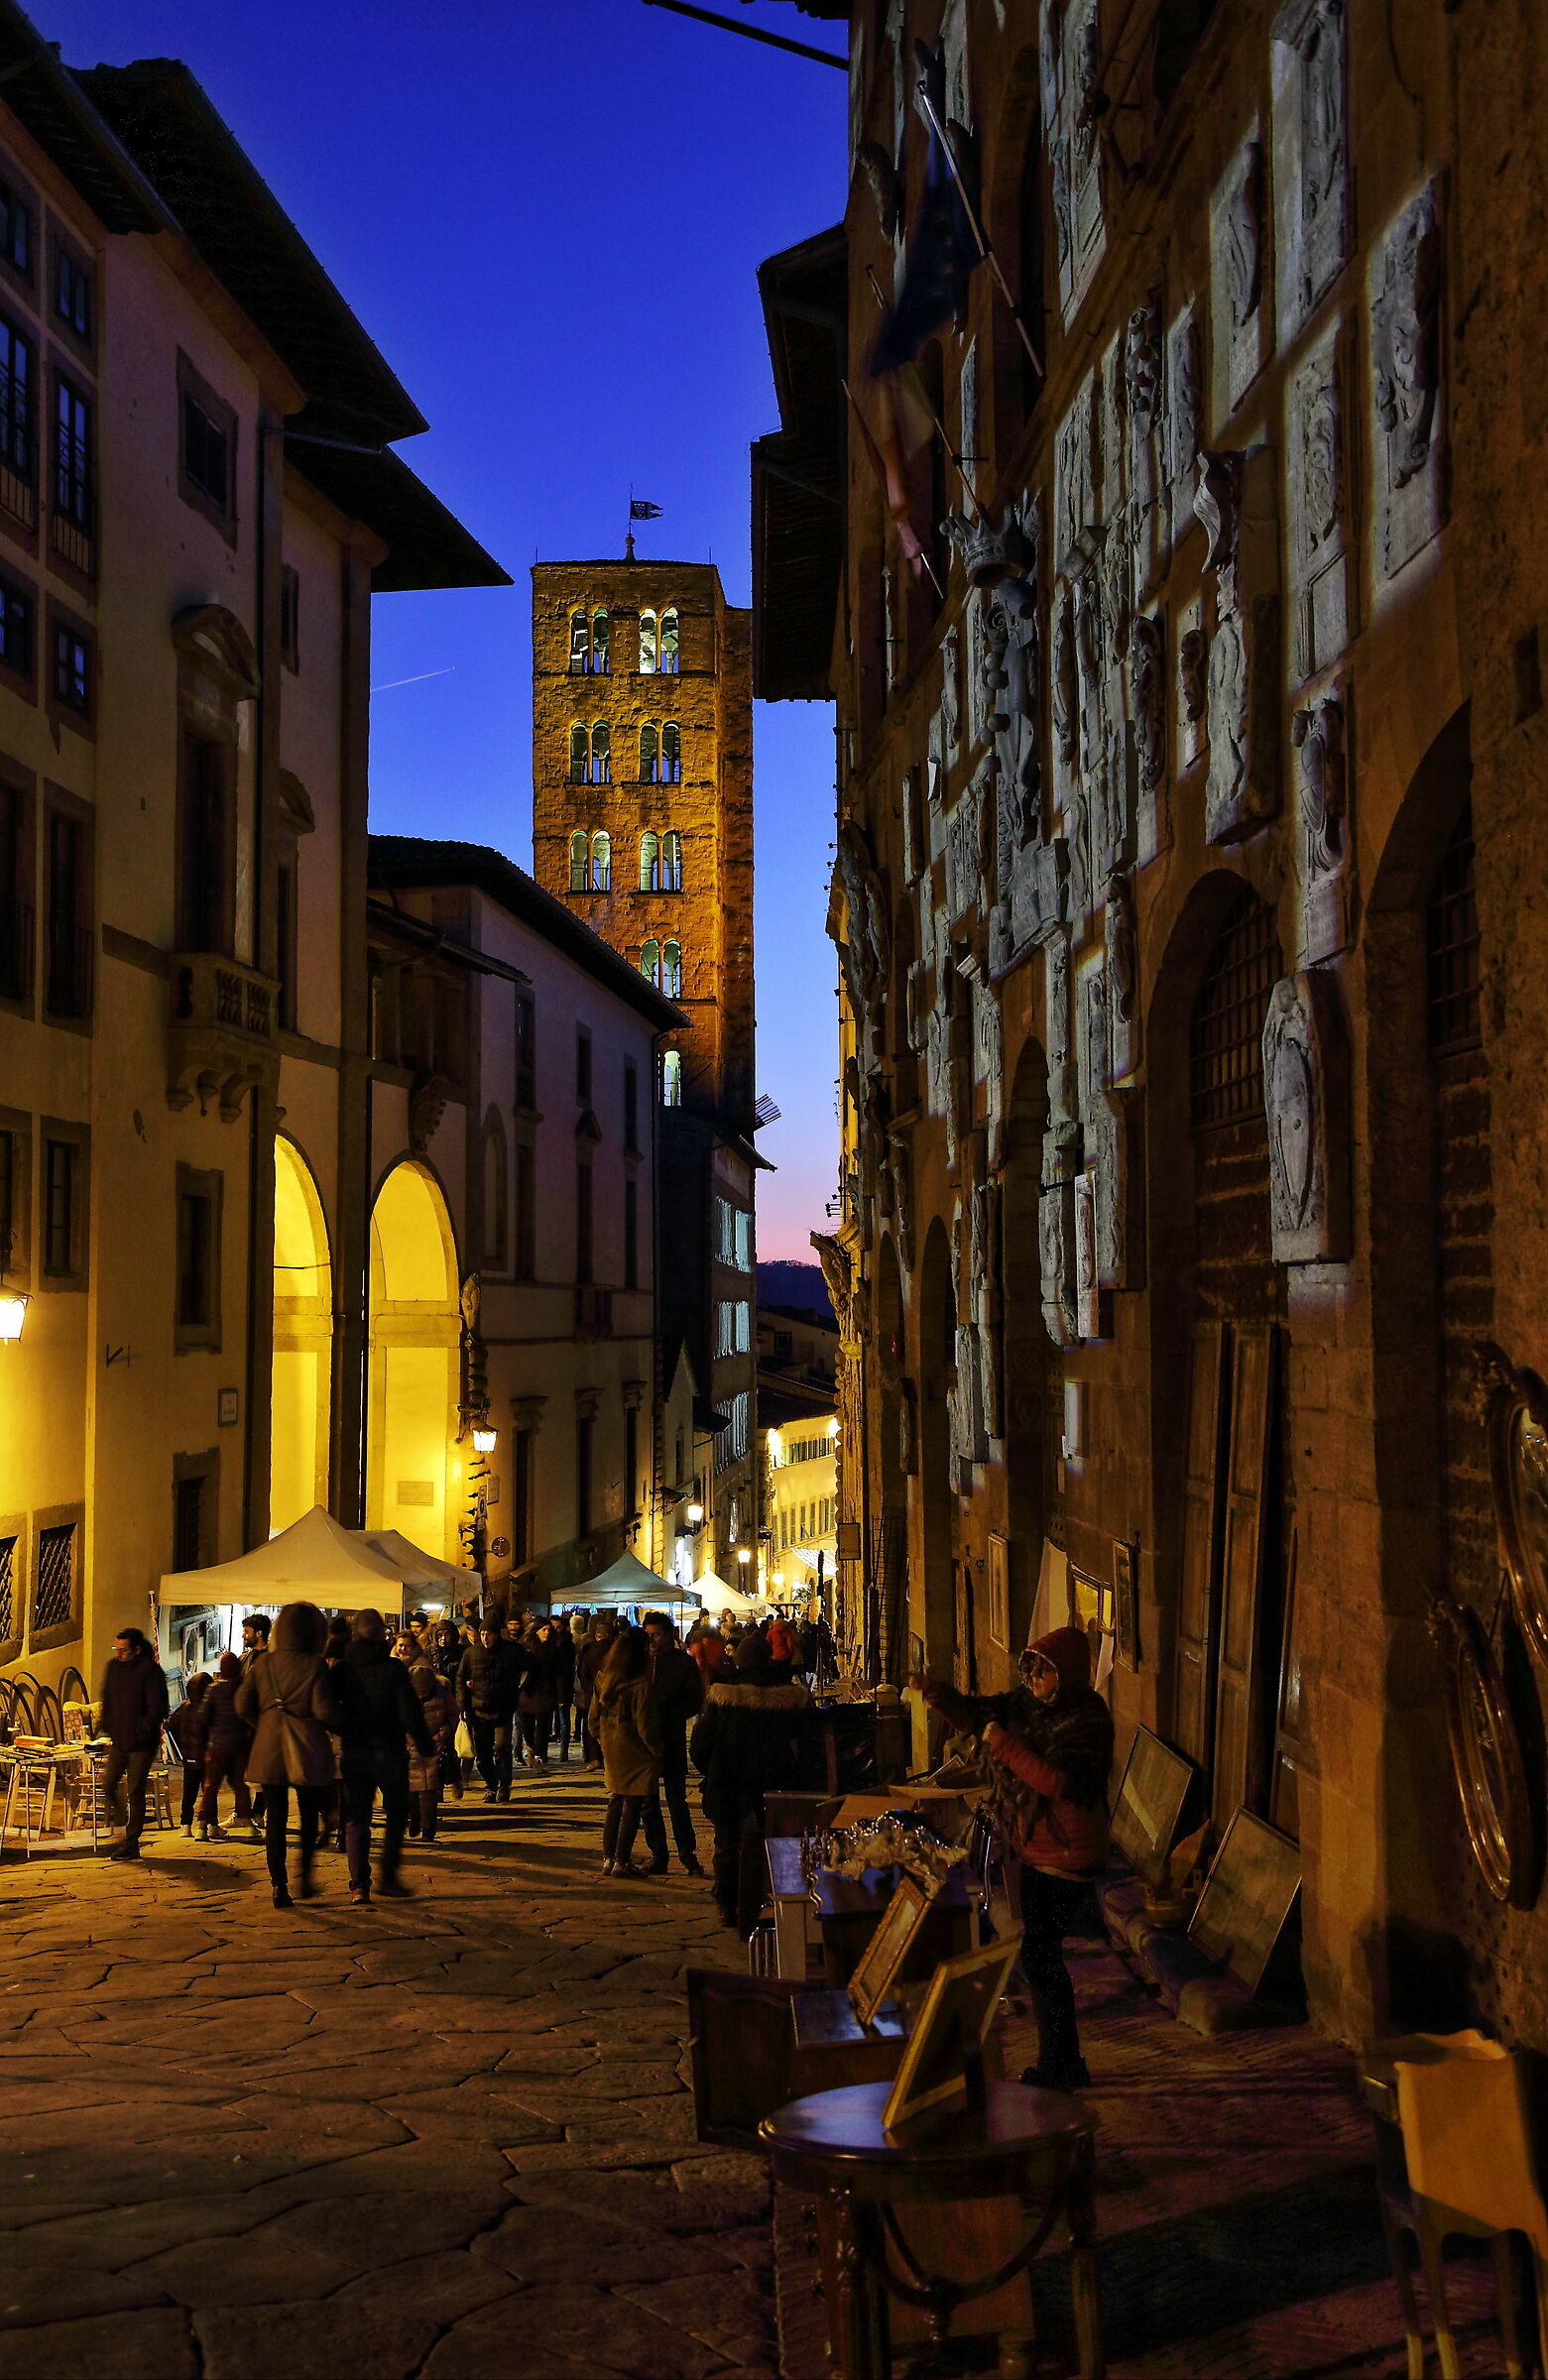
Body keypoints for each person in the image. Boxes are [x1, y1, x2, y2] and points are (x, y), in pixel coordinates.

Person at [923, 1627, 1114, 2091]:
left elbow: (1058, 1783)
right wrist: (941, 1698)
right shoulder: (1031, 1707)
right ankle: (1064, 2062)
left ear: (1064, 1675)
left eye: (1042, 1670)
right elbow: (981, 1713)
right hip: (1037, 1848)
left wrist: (1003, 1746)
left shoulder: (1087, 1718)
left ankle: (1060, 2067)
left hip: (1068, 1854)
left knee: (1042, 1958)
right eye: (1029, 1667)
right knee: (1039, 1955)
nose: (1031, 1677)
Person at [689, 1632, 814, 1929]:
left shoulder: (724, 1695)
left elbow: (701, 1743)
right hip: (775, 1780)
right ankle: (779, 1903)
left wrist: (712, 1769)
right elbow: (806, 1742)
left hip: (729, 1779)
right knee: (777, 1842)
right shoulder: (788, 1695)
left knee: (728, 1844)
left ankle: (727, 1904)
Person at [236, 1600, 339, 1908]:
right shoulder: (314, 1665)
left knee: (276, 1818)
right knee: (308, 1814)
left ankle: (278, 1883)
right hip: (305, 1745)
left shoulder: (264, 1663)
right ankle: (305, 1874)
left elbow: (242, 1704)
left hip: (269, 1745)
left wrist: (265, 1723)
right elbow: (323, 1710)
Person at [335, 1608, 434, 1904]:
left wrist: (345, 1729)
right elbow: (409, 1711)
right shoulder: (392, 1669)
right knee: (395, 1814)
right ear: (382, 1634)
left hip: (355, 1751)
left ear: (355, 1634)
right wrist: (424, 1745)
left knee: (357, 1818)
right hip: (389, 1750)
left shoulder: (343, 1670)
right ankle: (388, 1876)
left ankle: (358, 1884)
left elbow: (330, 1708)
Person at [640, 1611, 705, 1876]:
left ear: (668, 1634)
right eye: (648, 1635)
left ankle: (688, 1854)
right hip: (644, 1743)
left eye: (656, 1634)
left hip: (672, 1740)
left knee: (677, 1801)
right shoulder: (640, 1662)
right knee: (648, 1802)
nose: (652, 1640)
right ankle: (659, 1854)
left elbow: (694, 1699)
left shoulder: (682, 1663)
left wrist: (671, 1714)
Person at [593, 1625, 660, 1877]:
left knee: (616, 1800)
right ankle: (622, 1860)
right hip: (635, 1750)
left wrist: (603, 1739)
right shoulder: (639, 1684)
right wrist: (656, 1750)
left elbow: (592, 1719)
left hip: (612, 1745)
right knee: (632, 1803)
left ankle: (608, 1858)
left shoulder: (604, 1678)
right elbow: (645, 1725)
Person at [98, 1626, 171, 1862]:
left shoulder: (150, 1672)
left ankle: (131, 1842)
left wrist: (141, 1730)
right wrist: (107, 1724)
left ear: (136, 1650)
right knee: (108, 1784)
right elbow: (107, 1697)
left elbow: (156, 1707)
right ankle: (122, 1827)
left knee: (135, 1791)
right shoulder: (113, 1668)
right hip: (120, 1739)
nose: (119, 1654)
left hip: (141, 1743)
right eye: (116, 1649)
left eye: (124, 1651)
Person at [455, 1614, 527, 1802]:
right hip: (478, 1710)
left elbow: (532, 1668)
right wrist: (462, 1703)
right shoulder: (472, 1653)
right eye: (482, 1634)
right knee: (483, 1753)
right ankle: (490, 1785)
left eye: (489, 1634)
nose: (485, 1638)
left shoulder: (512, 1651)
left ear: (497, 1634)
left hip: (503, 1709)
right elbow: (461, 1678)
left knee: (502, 1747)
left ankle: (504, 1784)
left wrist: (521, 1690)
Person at [397, 1630, 452, 1843]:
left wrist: (442, 1736)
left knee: (429, 1793)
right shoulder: (403, 1701)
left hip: (432, 1750)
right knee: (411, 1791)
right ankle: (415, 1821)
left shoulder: (439, 1694)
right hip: (409, 1751)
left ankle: (428, 1828)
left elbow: (450, 1717)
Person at [196, 1652, 258, 1842]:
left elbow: (203, 1718)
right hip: (239, 1746)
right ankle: (248, 1826)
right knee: (240, 1786)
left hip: (216, 1746)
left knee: (210, 1787)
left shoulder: (213, 1690)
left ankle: (201, 1829)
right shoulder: (244, 1688)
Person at [167, 1672, 211, 1834]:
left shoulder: (184, 1707)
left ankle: (185, 1825)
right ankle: (210, 1825)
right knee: (208, 1792)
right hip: (206, 1758)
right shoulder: (208, 1709)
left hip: (188, 1757)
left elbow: (170, 1725)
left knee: (188, 1794)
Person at [519, 1618, 564, 1769]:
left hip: (546, 1691)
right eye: (544, 1630)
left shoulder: (554, 1649)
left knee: (544, 1726)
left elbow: (559, 1673)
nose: (547, 1633)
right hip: (529, 1691)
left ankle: (539, 1756)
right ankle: (531, 1748)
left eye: (549, 1630)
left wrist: (560, 1694)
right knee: (527, 1725)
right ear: (536, 1631)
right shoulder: (526, 1648)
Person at [575, 1618, 613, 1772]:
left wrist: (589, 1688)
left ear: (597, 1635)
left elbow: (581, 1672)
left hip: (592, 1693)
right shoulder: (616, 1649)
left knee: (591, 1724)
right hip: (612, 1693)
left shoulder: (589, 1650)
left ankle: (593, 1757)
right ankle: (606, 1757)